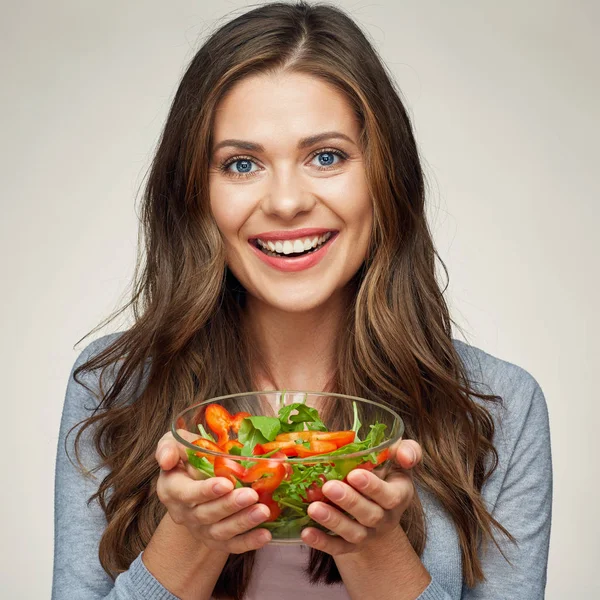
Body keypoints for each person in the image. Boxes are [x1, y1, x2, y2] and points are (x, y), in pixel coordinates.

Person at [52, 2, 552, 599]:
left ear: (385, 178)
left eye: (326, 156)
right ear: (195, 192)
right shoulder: (111, 387)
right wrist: (193, 537)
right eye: (241, 163)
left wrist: (376, 548)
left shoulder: (499, 408)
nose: (286, 201)